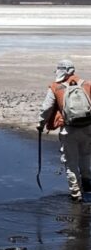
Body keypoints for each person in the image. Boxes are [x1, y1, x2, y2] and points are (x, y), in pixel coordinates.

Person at [37, 59, 91, 202]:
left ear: (61, 71)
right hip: (87, 128)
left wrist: (41, 124)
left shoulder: (56, 87)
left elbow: (46, 108)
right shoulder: (87, 84)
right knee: (86, 156)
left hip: (69, 130)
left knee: (70, 162)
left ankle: (76, 195)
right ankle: (88, 184)